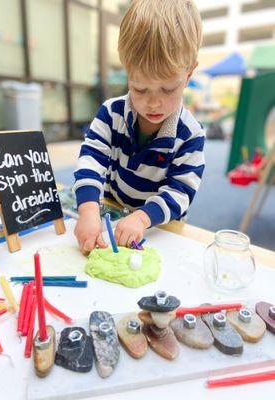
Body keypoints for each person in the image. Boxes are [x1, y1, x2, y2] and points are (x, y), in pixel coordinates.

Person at [74, 0, 205, 254]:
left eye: (168, 89)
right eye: (140, 88)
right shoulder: (111, 113)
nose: (153, 102)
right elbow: (91, 159)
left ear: (188, 74)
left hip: (159, 226)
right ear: (127, 73)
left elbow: (181, 191)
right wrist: (88, 208)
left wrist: (143, 218)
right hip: (114, 209)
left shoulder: (190, 135)